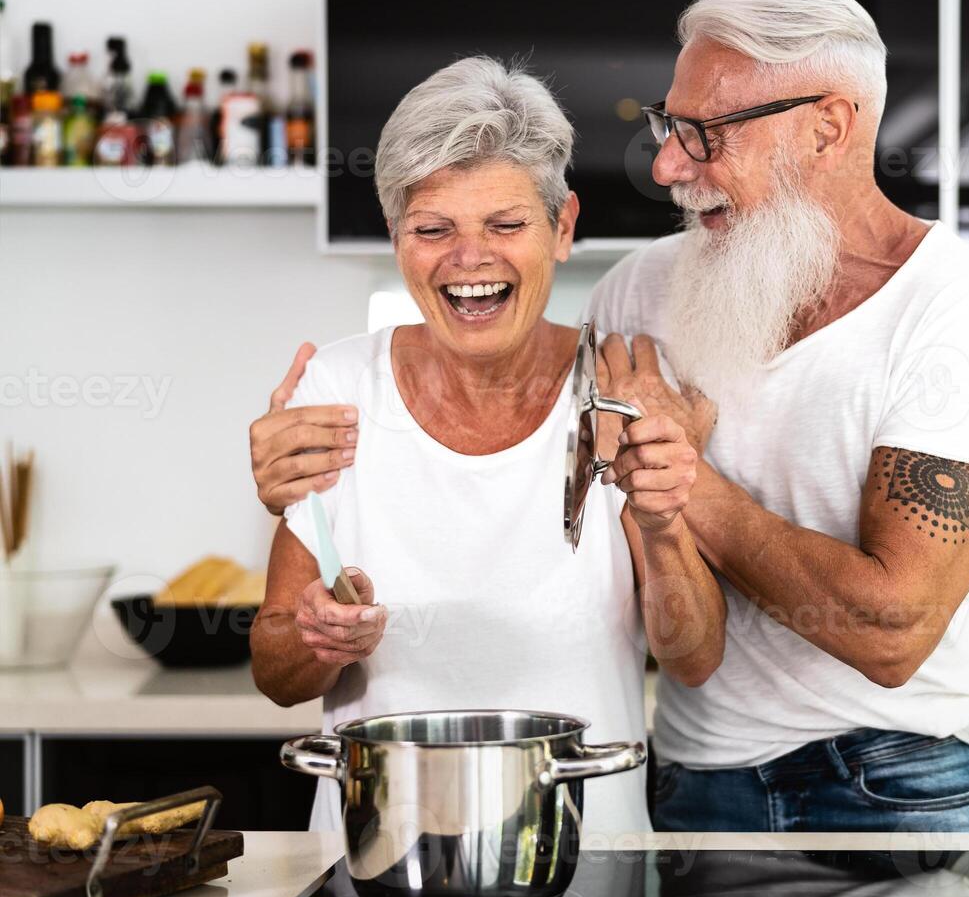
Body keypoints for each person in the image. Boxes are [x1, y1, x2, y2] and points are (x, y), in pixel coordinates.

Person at [251, 0, 969, 833]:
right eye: (670, 126)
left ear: (827, 127)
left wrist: (683, 478)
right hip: (696, 774)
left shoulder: (955, 309)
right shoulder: (640, 297)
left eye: (704, 133)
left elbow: (894, 633)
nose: (665, 165)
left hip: (894, 774)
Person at [249, 57, 724, 837]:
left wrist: (668, 520)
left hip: (582, 852)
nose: (470, 260)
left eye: (506, 226)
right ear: (397, 238)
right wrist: (317, 636)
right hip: (377, 855)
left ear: (563, 227)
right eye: (433, 229)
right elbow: (276, 674)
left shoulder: (620, 384)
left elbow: (693, 658)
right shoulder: (338, 389)